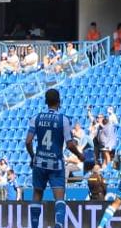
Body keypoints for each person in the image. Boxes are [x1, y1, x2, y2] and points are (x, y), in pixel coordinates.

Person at [25, 88, 79, 228]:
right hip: (56, 164)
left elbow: (28, 141)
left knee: (37, 194)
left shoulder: (36, 118)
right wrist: (80, 155)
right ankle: (59, 225)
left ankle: (35, 226)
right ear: (59, 102)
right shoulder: (64, 120)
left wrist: (32, 157)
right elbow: (70, 145)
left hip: (40, 163)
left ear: (45, 102)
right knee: (59, 197)